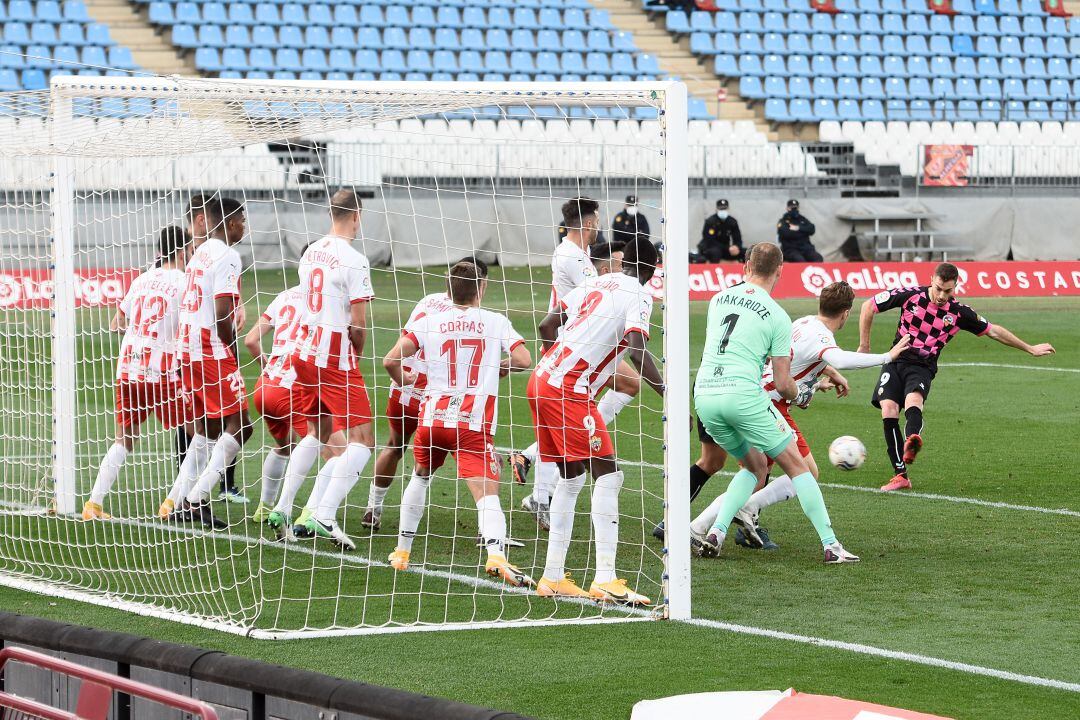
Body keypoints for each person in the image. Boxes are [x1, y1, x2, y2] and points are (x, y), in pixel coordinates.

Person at [689, 281, 910, 552]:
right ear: (846, 313)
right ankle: (710, 524)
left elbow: (799, 358)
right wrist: (887, 356)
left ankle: (721, 522)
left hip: (752, 393)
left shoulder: (803, 322)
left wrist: (822, 376)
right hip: (771, 403)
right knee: (799, 472)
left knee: (757, 473)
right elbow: (839, 358)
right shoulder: (823, 338)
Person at [693, 243, 858, 563]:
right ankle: (831, 546)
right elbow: (783, 384)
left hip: (705, 395)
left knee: (754, 468)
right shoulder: (777, 316)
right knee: (801, 469)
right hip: (745, 396)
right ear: (781, 271)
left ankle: (715, 531)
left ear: (745, 266)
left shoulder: (717, 299)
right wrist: (807, 393)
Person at [530, 238, 664, 605]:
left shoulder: (595, 282)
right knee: (609, 474)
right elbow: (637, 350)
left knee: (571, 478)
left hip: (542, 378)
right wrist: (668, 395)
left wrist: (561, 363)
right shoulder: (639, 293)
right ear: (653, 269)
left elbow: (546, 325)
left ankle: (553, 576)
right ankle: (605, 578)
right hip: (568, 389)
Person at [383, 261, 534, 587]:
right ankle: (496, 555)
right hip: (471, 422)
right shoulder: (495, 321)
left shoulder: (430, 321)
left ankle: (402, 553)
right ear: (481, 289)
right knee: (485, 493)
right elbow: (525, 360)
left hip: (432, 418)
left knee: (420, 477)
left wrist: (404, 379)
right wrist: (501, 365)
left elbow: (389, 360)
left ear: (448, 290)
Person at [858, 262, 1055, 491]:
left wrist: (1029, 348)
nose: (942, 295)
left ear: (956, 287)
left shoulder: (959, 312)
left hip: (922, 366)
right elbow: (868, 306)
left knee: (914, 400)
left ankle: (912, 440)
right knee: (888, 409)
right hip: (896, 359)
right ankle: (901, 476)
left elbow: (993, 331)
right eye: (939, 288)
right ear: (932, 279)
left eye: (948, 291)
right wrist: (864, 345)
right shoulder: (909, 295)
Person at [512, 199, 641, 530]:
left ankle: (535, 475)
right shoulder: (575, 258)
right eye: (596, 219)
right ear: (588, 223)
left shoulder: (569, 252)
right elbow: (597, 294)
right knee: (628, 385)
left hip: (572, 349)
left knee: (603, 398)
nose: (598, 225)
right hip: (576, 350)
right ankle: (538, 486)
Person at [361, 257, 486, 531]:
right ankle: (485, 527)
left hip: (404, 387)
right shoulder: (472, 317)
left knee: (395, 445)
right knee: (468, 454)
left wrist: (402, 380)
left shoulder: (428, 301)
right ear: (479, 287)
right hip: (437, 397)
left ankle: (373, 507)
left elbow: (404, 341)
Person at [286, 188, 376, 550]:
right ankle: (323, 513)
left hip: (303, 352)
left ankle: (289, 508)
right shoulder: (354, 259)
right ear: (357, 215)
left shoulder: (311, 253)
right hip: (334, 357)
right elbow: (357, 325)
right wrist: (357, 356)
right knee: (363, 441)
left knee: (319, 433)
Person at [83, 227, 194, 520]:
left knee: (124, 439)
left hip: (129, 368)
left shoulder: (142, 279)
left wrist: (139, 328)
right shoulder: (184, 282)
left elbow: (116, 322)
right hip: (162, 372)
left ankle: (93, 505)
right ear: (183, 251)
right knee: (200, 434)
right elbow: (188, 329)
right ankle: (172, 503)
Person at [163, 196, 253, 529]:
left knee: (208, 428)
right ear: (230, 223)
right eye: (242, 219)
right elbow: (221, 313)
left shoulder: (198, 253)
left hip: (186, 348)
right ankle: (196, 498)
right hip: (208, 349)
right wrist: (231, 351)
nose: (245, 226)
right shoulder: (228, 255)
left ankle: (176, 499)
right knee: (242, 426)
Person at [243, 284, 314, 524]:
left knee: (285, 447)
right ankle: (305, 513)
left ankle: (264, 507)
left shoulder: (283, 295)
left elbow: (251, 340)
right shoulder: (323, 298)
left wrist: (268, 368)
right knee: (327, 448)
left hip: (265, 386)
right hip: (290, 389)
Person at [776, 199, 822, 263]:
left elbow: (812, 229)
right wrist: (804, 232)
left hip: (806, 248)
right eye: (791, 208)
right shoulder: (783, 221)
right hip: (791, 249)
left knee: (818, 258)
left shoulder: (802, 219)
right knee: (800, 261)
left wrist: (798, 228)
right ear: (787, 208)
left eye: (795, 207)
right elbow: (787, 234)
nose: (794, 209)